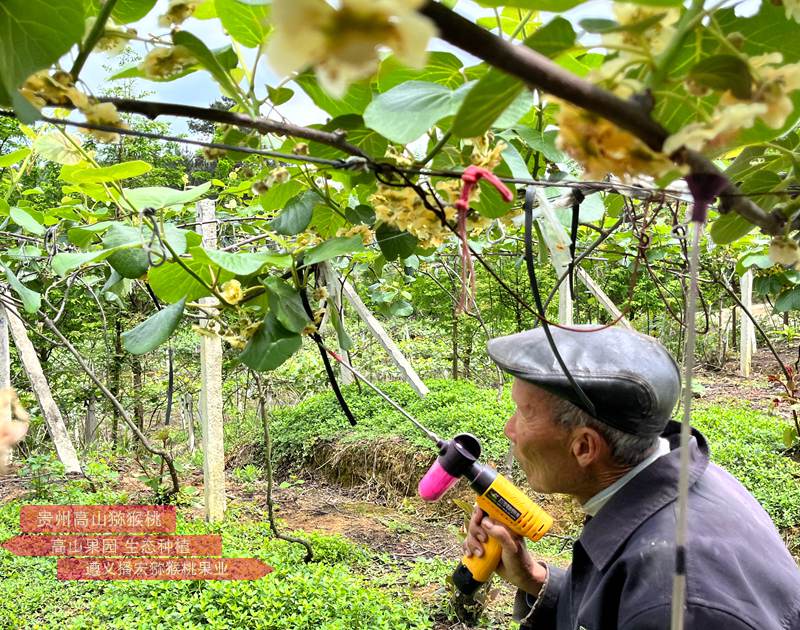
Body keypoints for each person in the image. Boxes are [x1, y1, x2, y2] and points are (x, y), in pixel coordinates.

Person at [464, 325, 800, 629]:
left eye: (523, 414)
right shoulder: (683, 481)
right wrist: (537, 580)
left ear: (584, 447)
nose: (509, 430)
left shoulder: (675, 602)